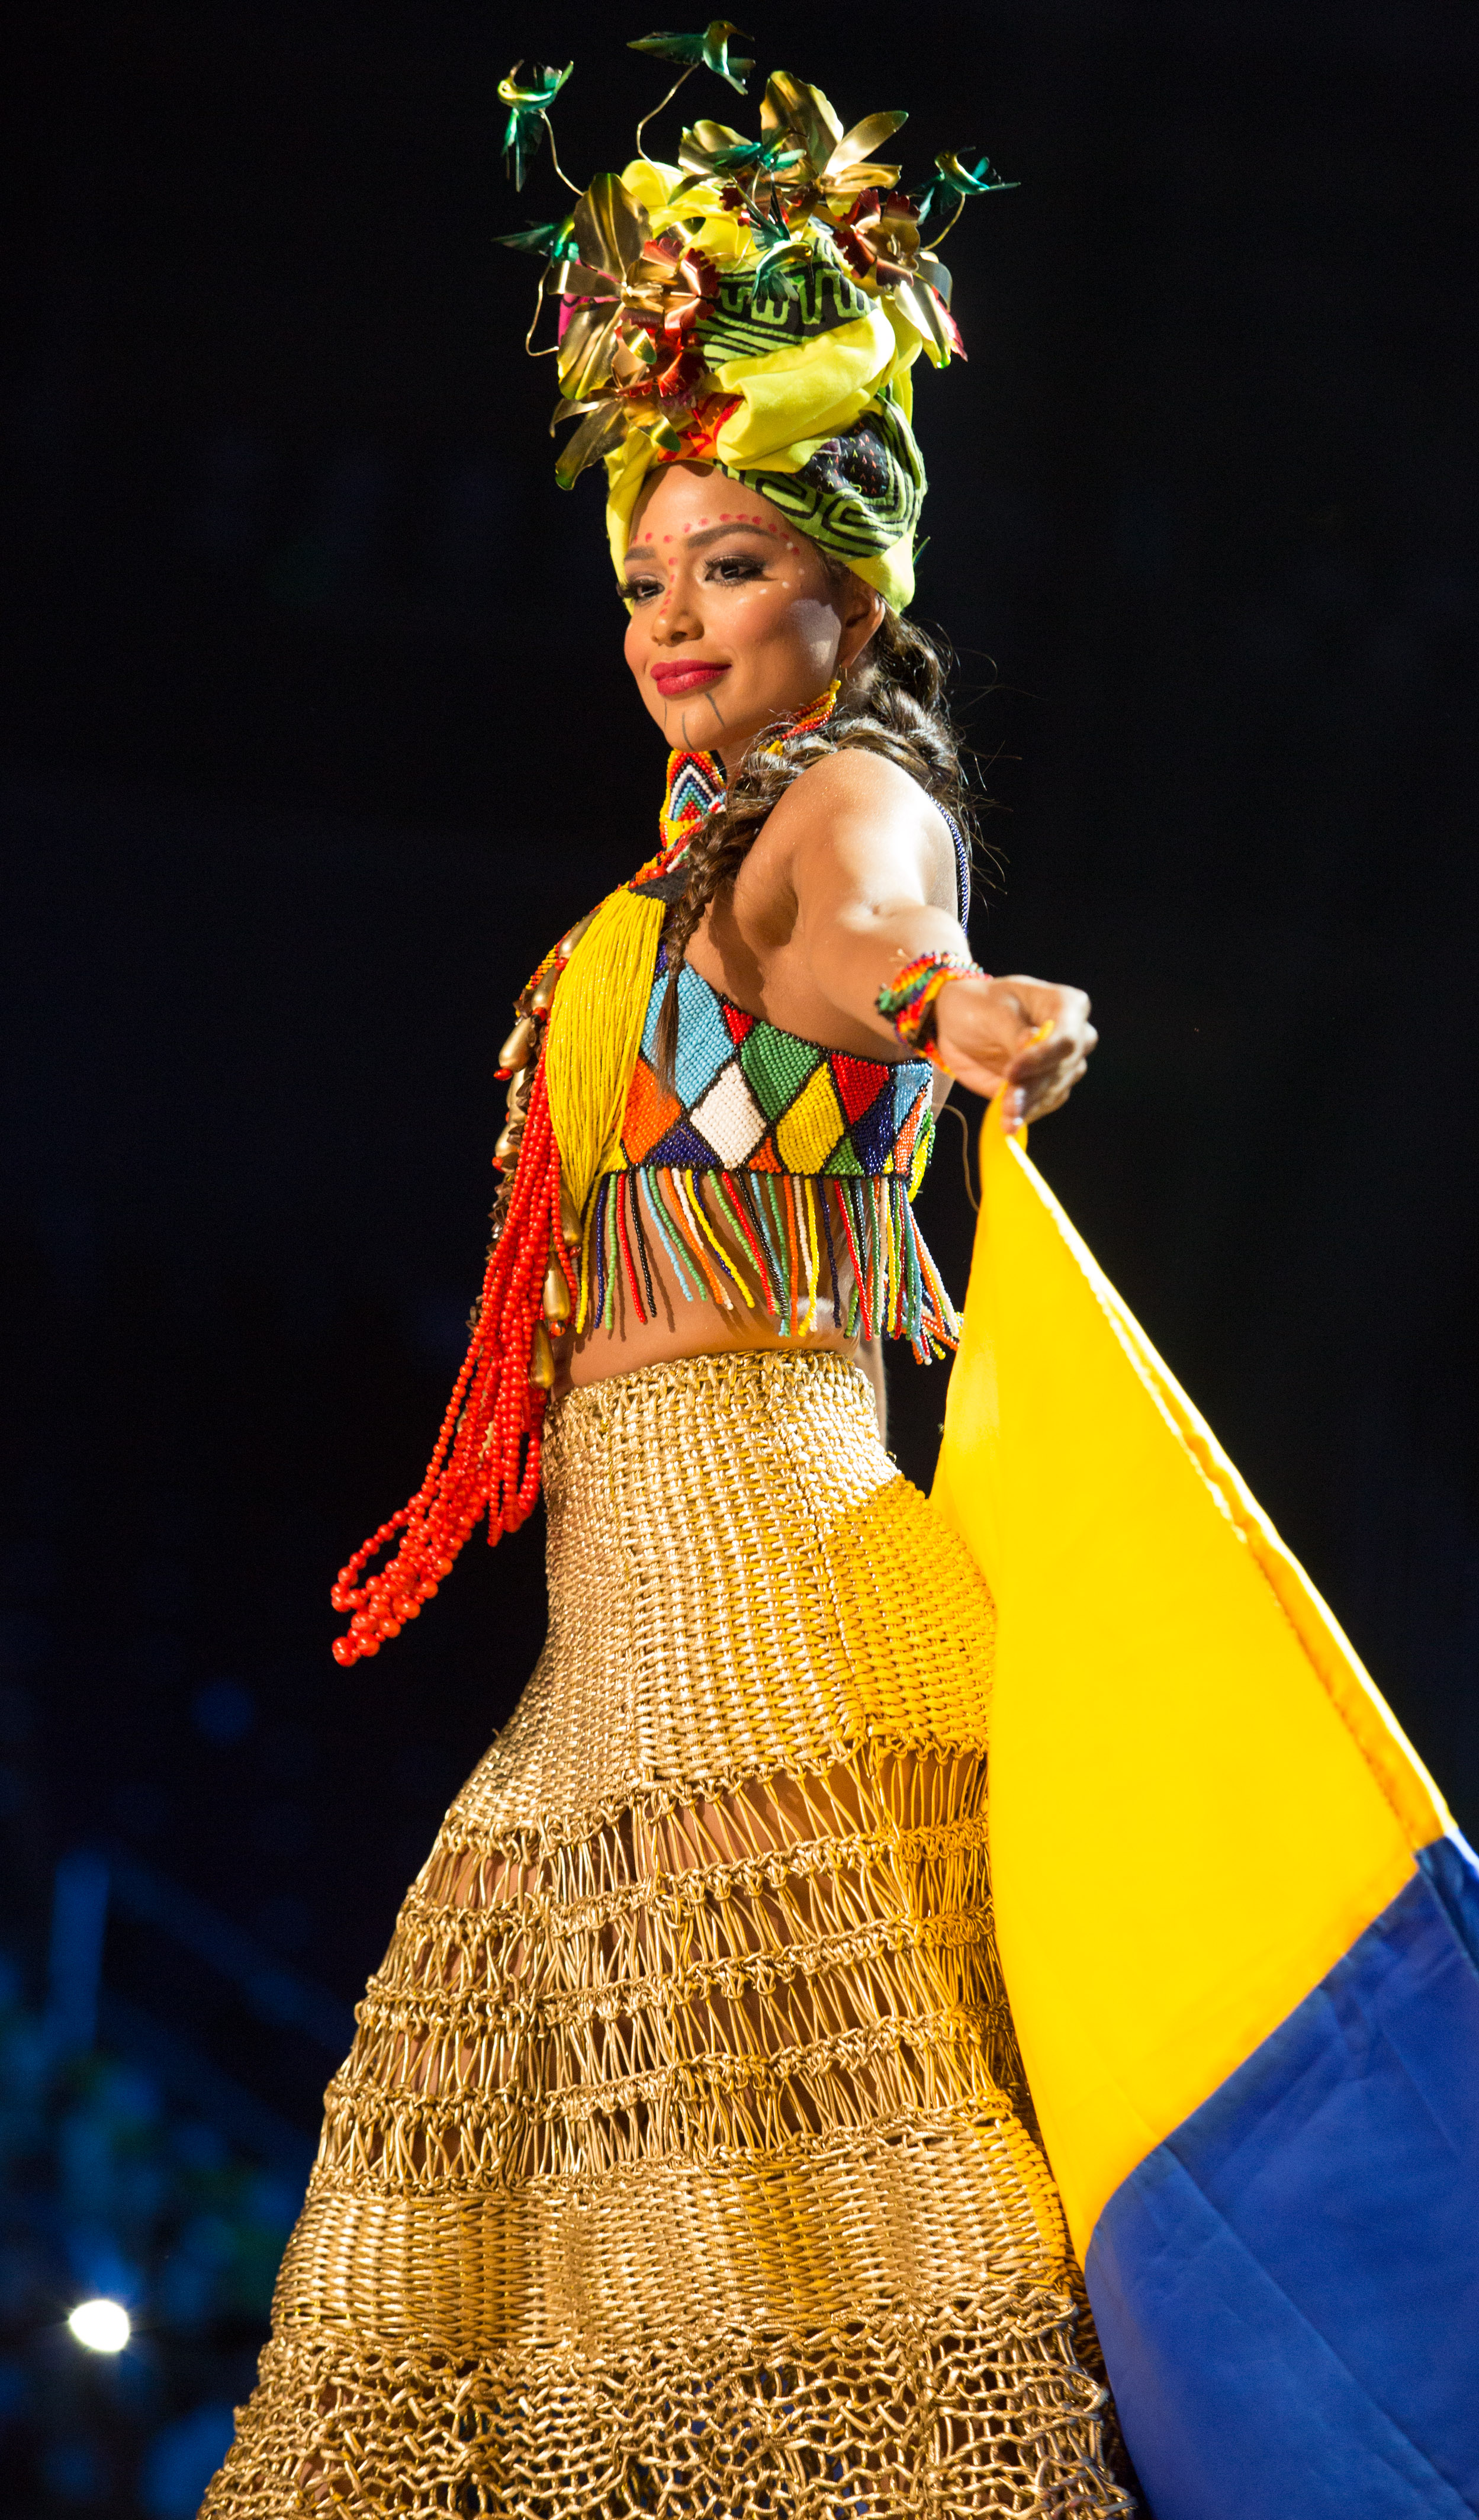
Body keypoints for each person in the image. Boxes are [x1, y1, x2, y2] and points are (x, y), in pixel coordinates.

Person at [202, 49, 1129, 2516]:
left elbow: (890, 953)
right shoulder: (667, 863)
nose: (668, 617)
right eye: (641, 573)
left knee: (783, 2273)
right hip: (638, 1597)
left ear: (846, 576)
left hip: (766, 1578)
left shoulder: (845, 799)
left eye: (725, 562)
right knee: (567, 2284)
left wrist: (968, 1019)